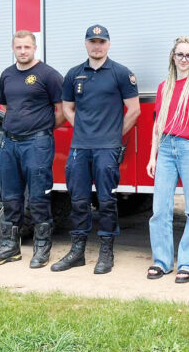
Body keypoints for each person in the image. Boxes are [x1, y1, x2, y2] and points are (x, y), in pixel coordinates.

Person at [51, 25, 140, 275]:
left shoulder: (121, 74)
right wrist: (79, 126)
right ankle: (77, 251)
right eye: (93, 42)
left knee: (106, 201)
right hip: (80, 146)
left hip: (107, 148)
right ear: (86, 44)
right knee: (78, 200)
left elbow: (134, 110)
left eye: (101, 42)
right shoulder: (74, 74)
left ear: (108, 44)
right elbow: (67, 107)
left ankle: (106, 251)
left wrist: (112, 135)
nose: (97, 46)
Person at [0, 30, 64, 268]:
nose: (22, 51)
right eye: (18, 47)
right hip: (9, 143)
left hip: (37, 143)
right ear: (13, 48)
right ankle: (10, 247)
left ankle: (42, 248)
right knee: (9, 196)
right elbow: (7, 107)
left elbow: (61, 110)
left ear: (34, 48)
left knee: (39, 197)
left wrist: (43, 129)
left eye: (27, 47)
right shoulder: (7, 75)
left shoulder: (48, 75)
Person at [146, 37, 189, 283]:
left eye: (188, 55)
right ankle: (161, 262)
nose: (184, 59)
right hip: (165, 147)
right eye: (180, 54)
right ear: (173, 56)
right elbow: (158, 124)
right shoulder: (165, 86)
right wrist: (152, 155)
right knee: (160, 209)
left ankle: (188, 263)